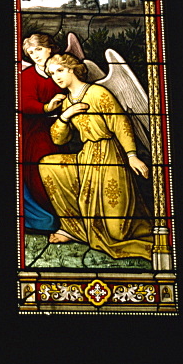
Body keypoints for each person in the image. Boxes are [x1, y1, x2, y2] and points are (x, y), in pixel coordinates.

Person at [39, 53, 152, 260]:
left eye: (60, 70)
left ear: (72, 69)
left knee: (117, 233)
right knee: (48, 164)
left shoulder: (98, 93)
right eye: (52, 73)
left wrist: (132, 155)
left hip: (110, 158)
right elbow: (58, 140)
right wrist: (65, 115)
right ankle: (74, 227)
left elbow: (121, 124)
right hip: (87, 156)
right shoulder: (66, 102)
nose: (56, 77)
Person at [19, 33, 65, 230]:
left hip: (65, 128)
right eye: (30, 52)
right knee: (39, 170)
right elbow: (25, 103)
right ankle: (47, 216)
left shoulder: (64, 69)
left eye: (38, 49)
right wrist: (47, 107)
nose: (35, 55)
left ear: (50, 48)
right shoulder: (28, 75)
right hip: (35, 130)